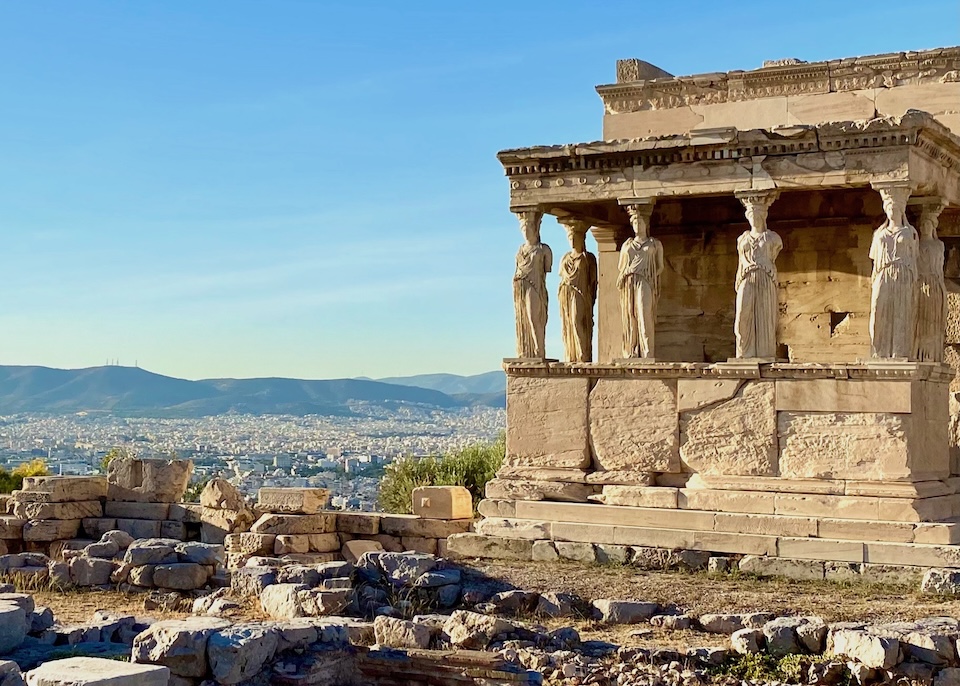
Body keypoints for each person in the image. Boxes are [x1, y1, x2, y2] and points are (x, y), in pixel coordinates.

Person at [869, 187, 918, 359]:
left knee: (901, 311)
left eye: (894, 208)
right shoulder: (879, 233)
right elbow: (874, 259)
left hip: (902, 273)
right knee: (878, 308)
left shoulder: (909, 233)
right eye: (888, 208)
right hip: (883, 273)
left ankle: (899, 351)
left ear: (900, 210)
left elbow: (914, 257)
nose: (891, 211)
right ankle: (878, 350)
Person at [735, 195, 782, 359]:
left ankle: (764, 353)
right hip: (746, 276)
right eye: (750, 215)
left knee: (765, 316)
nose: (753, 219)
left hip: (765, 277)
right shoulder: (742, 239)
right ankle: (744, 352)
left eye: (756, 215)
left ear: (762, 217)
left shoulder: (773, 238)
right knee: (742, 314)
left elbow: (774, 254)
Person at [617, 204, 663, 359]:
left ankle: (648, 353)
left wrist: (650, 276)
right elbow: (620, 266)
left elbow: (660, 266)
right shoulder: (627, 244)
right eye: (635, 223)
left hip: (645, 280)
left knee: (644, 314)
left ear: (646, 224)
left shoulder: (654, 243)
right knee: (630, 315)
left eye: (640, 222)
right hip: (629, 280)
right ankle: (632, 351)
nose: (638, 225)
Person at [513, 210, 552, 358]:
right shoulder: (520, 250)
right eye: (523, 229)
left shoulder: (544, 250)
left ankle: (539, 348)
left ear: (535, 229)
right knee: (523, 317)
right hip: (520, 285)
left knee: (533, 316)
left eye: (528, 228)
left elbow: (546, 269)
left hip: (535, 286)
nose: (525, 232)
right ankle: (527, 351)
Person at [558, 221, 597, 363]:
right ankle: (572, 354)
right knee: (568, 322)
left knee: (577, 320)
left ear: (582, 239)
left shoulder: (588, 258)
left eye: (575, 237)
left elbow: (593, 282)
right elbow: (561, 277)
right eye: (570, 237)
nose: (572, 240)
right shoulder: (565, 258)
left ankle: (583, 353)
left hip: (580, 294)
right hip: (567, 293)